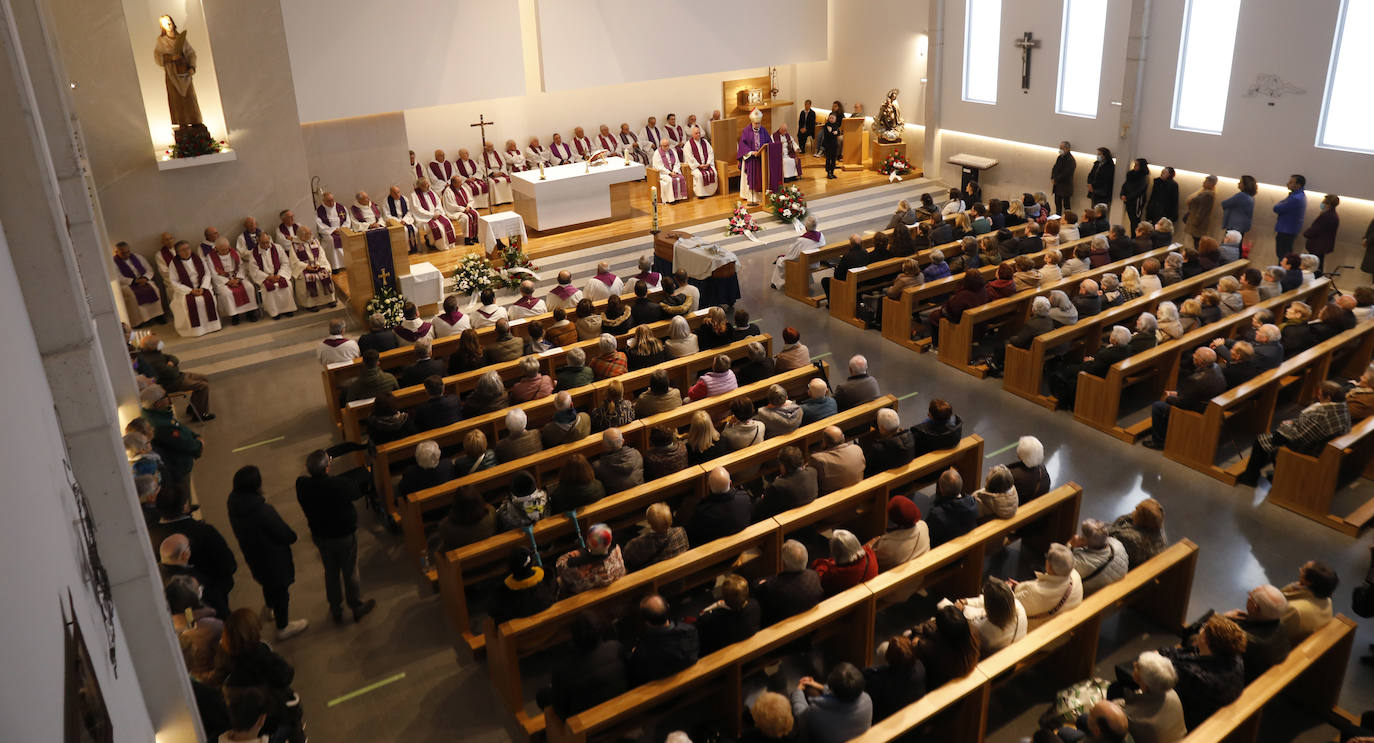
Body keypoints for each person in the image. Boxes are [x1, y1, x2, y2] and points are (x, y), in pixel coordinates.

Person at [294, 450, 377, 624]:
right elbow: (355, 492)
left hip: (320, 535)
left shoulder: (302, 485)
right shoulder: (338, 485)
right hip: (343, 534)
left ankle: (335, 608)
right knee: (350, 571)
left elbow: (310, 482)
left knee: (330, 571)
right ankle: (356, 606)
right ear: (327, 468)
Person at [227, 466, 307, 640]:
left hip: (253, 555)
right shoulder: (261, 511)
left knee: (267, 583)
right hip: (273, 558)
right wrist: (292, 536)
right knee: (281, 590)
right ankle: (283, 626)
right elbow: (283, 533)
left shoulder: (233, 503)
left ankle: (270, 607)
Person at [1235, 381, 1350, 487]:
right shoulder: (1342, 408)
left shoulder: (1322, 414)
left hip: (1312, 450)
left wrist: (1286, 427)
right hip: (1324, 445)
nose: (1317, 397)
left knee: (1262, 441)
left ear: (1328, 398)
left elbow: (1298, 438)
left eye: (1319, 394)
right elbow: (1310, 427)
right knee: (1275, 437)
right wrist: (1294, 422)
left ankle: (1250, 478)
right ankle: (1275, 474)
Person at [220, 611, 306, 743]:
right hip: (277, 714)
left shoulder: (226, 664)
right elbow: (286, 675)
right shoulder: (263, 656)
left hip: (253, 725)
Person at [1160, 615, 1247, 730]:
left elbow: (1173, 666)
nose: (1201, 630)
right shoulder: (1234, 656)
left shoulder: (1194, 675)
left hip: (1190, 718)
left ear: (1206, 640)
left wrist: (1159, 655)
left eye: (1204, 628)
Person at [1143, 347, 1226, 450]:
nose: (1193, 355)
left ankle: (1159, 441)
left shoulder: (1196, 379)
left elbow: (1184, 403)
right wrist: (1177, 394)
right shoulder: (1216, 367)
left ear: (1200, 361)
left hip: (1199, 409)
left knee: (1158, 406)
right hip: (1208, 403)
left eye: (1195, 354)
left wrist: (1169, 398)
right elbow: (1194, 393)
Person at [1220, 584, 1292, 683]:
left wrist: (1223, 618)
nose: (1248, 596)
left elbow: (1205, 631)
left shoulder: (1247, 640)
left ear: (1254, 607)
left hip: (1239, 680)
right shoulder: (1279, 625)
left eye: (1250, 595)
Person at [136, 333, 214, 420]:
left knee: (204, 378)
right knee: (203, 386)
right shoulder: (151, 360)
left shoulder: (154, 353)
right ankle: (200, 415)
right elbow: (171, 373)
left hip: (178, 376)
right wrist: (172, 366)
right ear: (151, 346)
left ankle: (194, 407)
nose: (160, 343)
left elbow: (173, 358)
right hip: (172, 383)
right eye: (157, 342)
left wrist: (171, 364)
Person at [791, 662, 873, 743]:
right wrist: (818, 686)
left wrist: (797, 691)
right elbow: (843, 694)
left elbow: (800, 714)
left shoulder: (816, 712)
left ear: (831, 687)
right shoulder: (867, 700)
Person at [139, 385, 203, 488]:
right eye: (165, 396)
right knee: (184, 492)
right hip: (179, 466)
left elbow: (179, 427)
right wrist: (199, 444)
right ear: (158, 404)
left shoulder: (157, 414)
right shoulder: (161, 425)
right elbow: (183, 442)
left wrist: (195, 436)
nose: (169, 398)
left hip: (179, 461)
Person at [1015, 543, 1084, 631]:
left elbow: (1013, 606)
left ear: (1050, 567)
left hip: (1036, 632)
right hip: (1063, 626)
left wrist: (1012, 589)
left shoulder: (1035, 591)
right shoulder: (1075, 576)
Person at [910, 605, 980, 689]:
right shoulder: (972, 634)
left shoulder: (931, 649)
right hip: (956, 669)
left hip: (936, 682)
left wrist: (917, 638)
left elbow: (916, 645)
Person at [694, 573, 762, 654]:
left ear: (723, 596)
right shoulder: (754, 606)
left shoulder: (712, 619)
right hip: (748, 647)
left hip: (721, 652)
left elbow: (700, 624)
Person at [166, 239, 222, 337]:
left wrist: (203, 287)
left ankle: (212, 326)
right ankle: (196, 330)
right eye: (183, 250)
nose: (186, 251)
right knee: (190, 303)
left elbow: (207, 274)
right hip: (185, 291)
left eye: (187, 248)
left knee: (207, 299)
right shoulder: (173, 264)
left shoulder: (198, 258)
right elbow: (174, 282)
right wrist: (190, 291)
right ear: (177, 252)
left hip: (201, 287)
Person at [489, 547, 558, 624]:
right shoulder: (548, 577)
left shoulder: (503, 593)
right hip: (552, 625)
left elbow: (494, 612)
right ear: (532, 561)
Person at [687, 467, 752, 545]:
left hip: (716, 554)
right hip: (741, 546)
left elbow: (692, 536)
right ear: (731, 483)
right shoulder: (744, 498)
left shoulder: (702, 512)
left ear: (709, 486)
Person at [555, 522, 624, 595]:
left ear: (590, 544)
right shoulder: (617, 550)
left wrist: (578, 554)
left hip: (586, 595)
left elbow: (559, 565)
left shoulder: (586, 567)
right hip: (615, 589)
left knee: (560, 581)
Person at [866, 495, 929, 572]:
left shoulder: (888, 546)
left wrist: (869, 546)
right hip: (921, 572)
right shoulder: (923, 526)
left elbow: (874, 561)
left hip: (897, 580)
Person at [1280, 560, 1339, 642]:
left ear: (1309, 582)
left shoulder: (1295, 610)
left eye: (1303, 570)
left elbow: (1275, 632)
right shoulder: (1327, 600)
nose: (1300, 569)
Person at [622, 502, 689, 571]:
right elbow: (686, 546)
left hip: (654, 574)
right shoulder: (680, 532)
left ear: (650, 524)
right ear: (670, 520)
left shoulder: (640, 543)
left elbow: (627, 555)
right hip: (678, 570)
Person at [1070, 518, 1129, 595]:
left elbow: (1063, 566)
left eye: (1082, 536)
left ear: (1085, 541)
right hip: (1115, 585)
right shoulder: (1117, 544)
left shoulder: (1082, 562)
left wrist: (1071, 545)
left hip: (1090, 594)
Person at [112, 241, 165, 326]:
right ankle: (139, 321)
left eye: (128, 252)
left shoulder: (138, 257)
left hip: (143, 280)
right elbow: (117, 277)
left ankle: (158, 315)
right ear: (116, 252)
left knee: (155, 289)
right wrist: (134, 281)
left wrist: (145, 278)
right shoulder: (113, 263)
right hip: (127, 284)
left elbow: (149, 269)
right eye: (123, 253)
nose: (126, 255)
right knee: (132, 296)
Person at [1109, 498, 1167, 568]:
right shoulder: (1155, 523)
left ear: (1142, 518)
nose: (1134, 509)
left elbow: (1110, 538)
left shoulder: (1130, 539)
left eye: (1137, 510)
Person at [435, 487, 495, 552]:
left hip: (459, 560)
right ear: (479, 500)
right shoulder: (491, 516)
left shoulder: (444, 527)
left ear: (455, 504)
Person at [811, 425, 866, 492]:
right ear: (843, 437)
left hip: (831, 498)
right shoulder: (857, 449)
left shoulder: (818, 459)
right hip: (860, 491)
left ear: (824, 442)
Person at [863, 407, 915, 474]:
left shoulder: (878, 448)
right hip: (907, 475)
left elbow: (868, 468)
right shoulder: (910, 435)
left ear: (882, 428)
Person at [593, 427, 643, 494]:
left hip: (615, 500)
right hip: (639, 494)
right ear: (623, 441)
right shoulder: (636, 454)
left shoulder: (597, 466)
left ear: (604, 445)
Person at [1273, 174, 1307, 259]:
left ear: (1298, 185)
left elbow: (1277, 208)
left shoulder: (1295, 198)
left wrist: (1280, 204)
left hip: (1286, 230)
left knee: (1283, 255)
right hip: (1289, 230)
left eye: (1291, 182)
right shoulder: (1298, 195)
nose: (1287, 183)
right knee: (1285, 254)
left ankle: (1282, 272)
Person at [1303, 193, 1340, 272]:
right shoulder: (1333, 215)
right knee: (1318, 265)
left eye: (1324, 202)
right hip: (1322, 245)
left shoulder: (1326, 216)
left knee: (1315, 267)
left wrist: (1306, 233)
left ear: (1328, 204)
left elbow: (1316, 229)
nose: (1322, 204)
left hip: (1318, 245)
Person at [1182, 175, 1218, 248]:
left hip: (1198, 222)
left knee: (1197, 242)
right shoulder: (1204, 193)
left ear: (1211, 183)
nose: (1203, 182)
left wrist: (1196, 222)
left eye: (1206, 181)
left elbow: (1202, 210)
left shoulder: (1208, 195)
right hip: (1195, 219)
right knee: (1196, 241)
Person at [1120, 158, 1150, 234]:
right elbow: (1125, 185)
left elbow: (1140, 190)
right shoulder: (1130, 174)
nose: (1135, 166)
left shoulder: (1144, 177)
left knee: (1135, 221)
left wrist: (1128, 197)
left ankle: (1135, 236)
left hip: (1137, 201)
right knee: (1131, 219)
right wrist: (1123, 194)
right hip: (1128, 200)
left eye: (1137, 165)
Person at [1051, 141, 1076, 214]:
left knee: (1066, 206)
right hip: (1057, 185)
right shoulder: (1059, 157)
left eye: (1062, 148)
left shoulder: (1070, 160)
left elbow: (1067, 173)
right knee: (1057, 204)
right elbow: (1054, 168)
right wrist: (1052, 177)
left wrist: (1056, 179)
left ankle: (1068, 220)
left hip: (1065, 186)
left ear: (1067, 149)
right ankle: (1057, 220)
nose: (1060, 149)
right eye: (1060, 148)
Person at [821, 111, 842, 179]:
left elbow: (839, 132)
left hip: (834, 145)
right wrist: (830, 132)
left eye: (833, 118)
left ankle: (832, 172)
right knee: (828, 159)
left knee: (834, 159)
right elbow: (827, 135)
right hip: (828, 145)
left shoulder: (836, 124)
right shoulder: (827, 125)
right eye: (830, 118)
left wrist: (837, 132)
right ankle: (828, 172)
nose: (831, 119)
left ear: (835, 119)